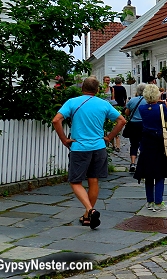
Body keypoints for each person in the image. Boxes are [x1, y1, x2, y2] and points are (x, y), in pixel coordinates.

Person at [52, 76, 126, 229]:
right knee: (93, 180)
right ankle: (87, 216)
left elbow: (56, 120)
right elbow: (122, 121)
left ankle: (90, 210)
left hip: (79, 147)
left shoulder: (72, 102)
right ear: (97, 90)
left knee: (75, 181)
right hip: (99, 147)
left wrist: (65, 139)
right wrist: (109, 137)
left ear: (82, 88)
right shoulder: (103, 104)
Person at [133, 84, 167, 211]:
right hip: (159, 143)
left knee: (148, 174)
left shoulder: (142, 108)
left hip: (146, 143)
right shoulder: (161, 108)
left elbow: (150, 109)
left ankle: (149, 201)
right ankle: (158, 202)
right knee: (159, 173)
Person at [124, 83, 147, 173]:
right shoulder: (148, 101)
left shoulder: (132, 100)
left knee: (133, 144)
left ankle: (133, 163)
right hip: (144, 125)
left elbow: (127, 113)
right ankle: (143, 164)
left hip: (133, 125)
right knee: (144, 144)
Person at [112, 76, 128, 152]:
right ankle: (119, 128)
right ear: (121, 82)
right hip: (121, 104)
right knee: (121, 118)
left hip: (114, 104)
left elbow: (113, 97)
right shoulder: (122, 88)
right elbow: (125, 97)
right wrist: (125, 104)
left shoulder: (113, 88)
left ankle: (113, 142)